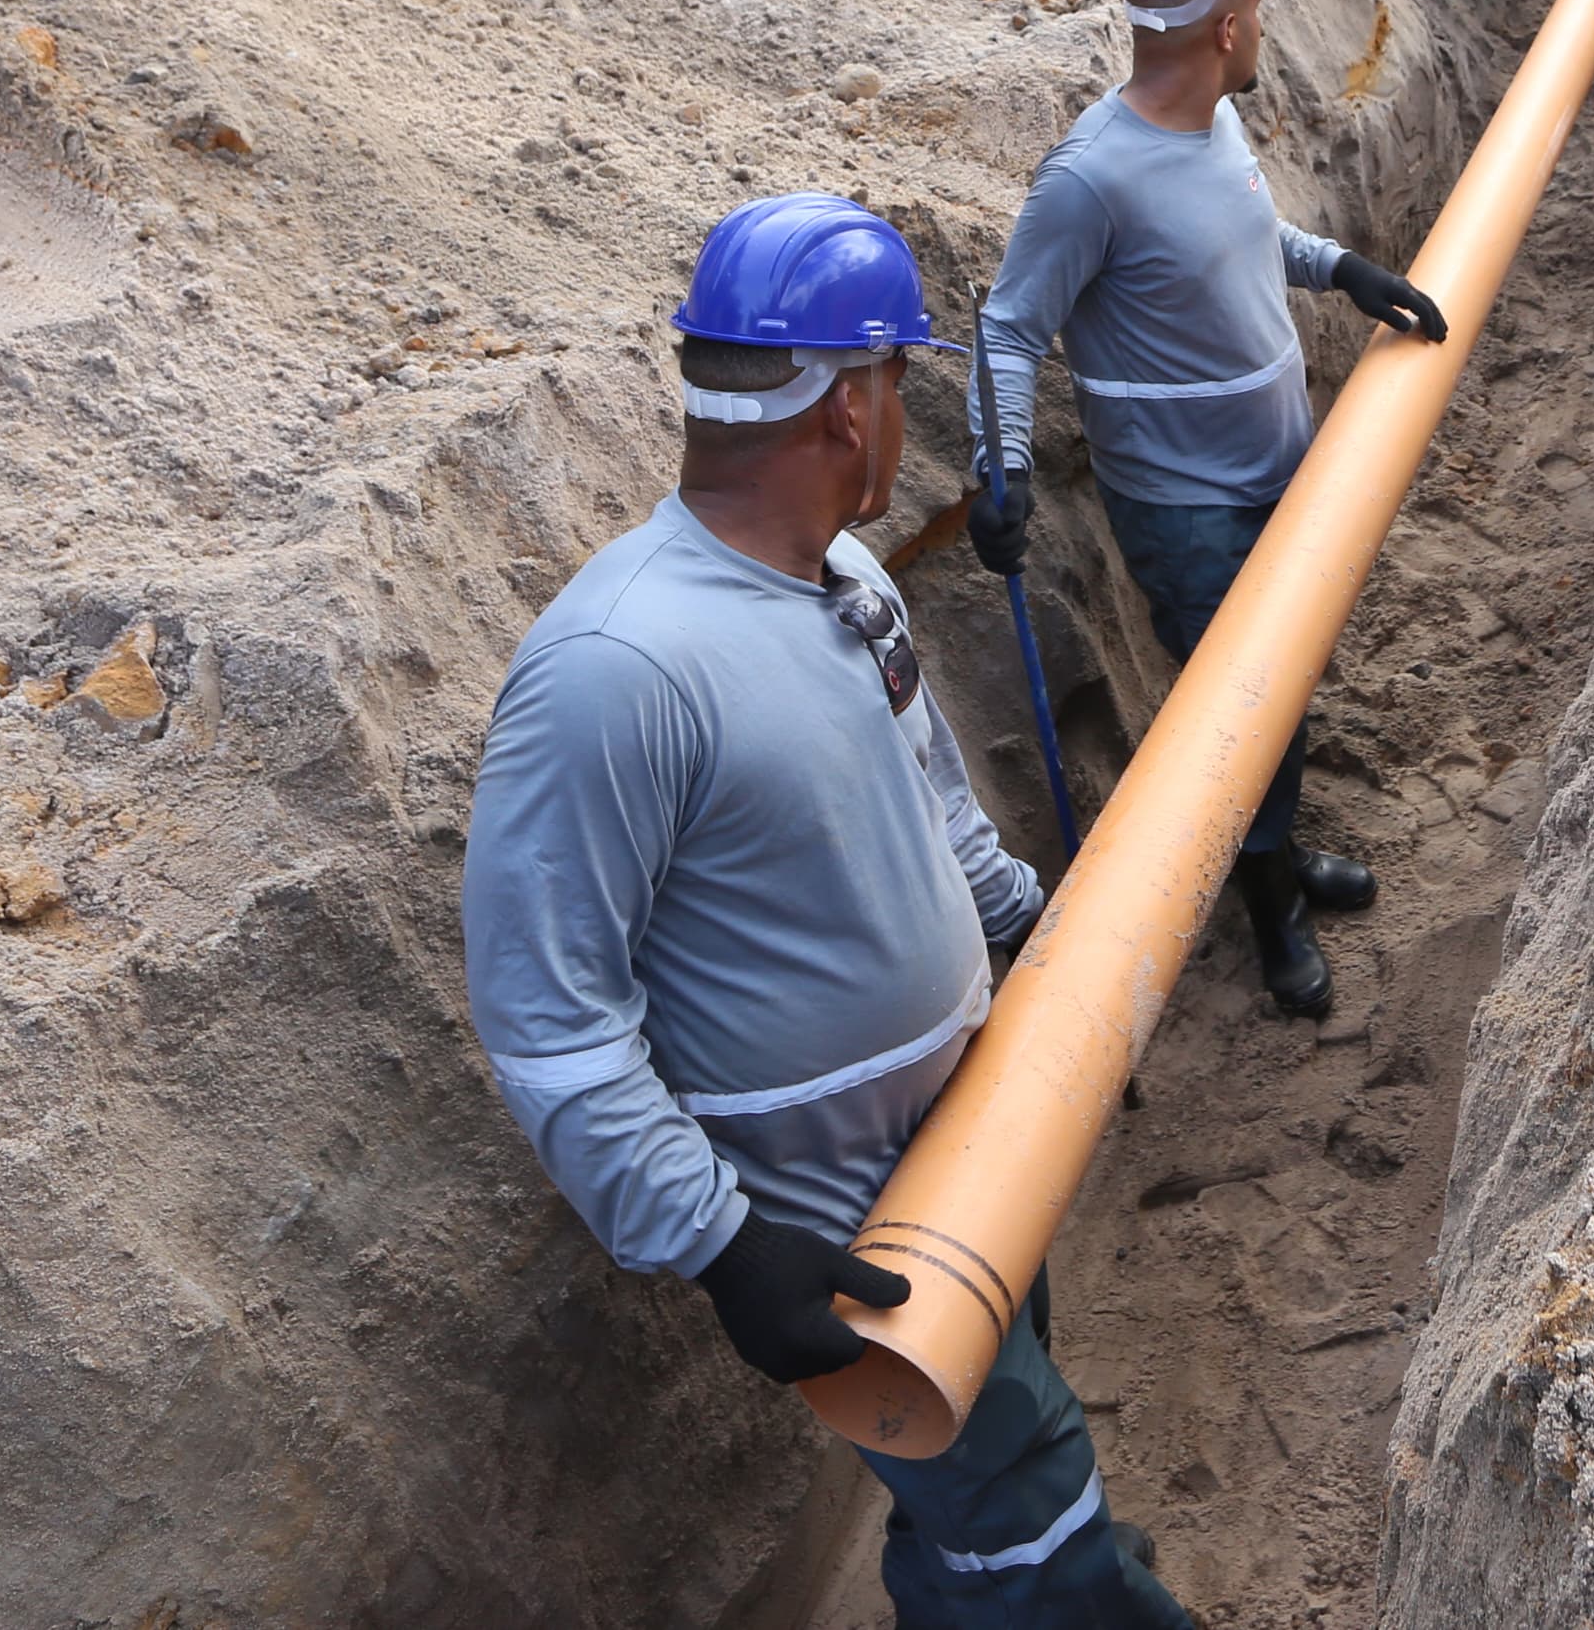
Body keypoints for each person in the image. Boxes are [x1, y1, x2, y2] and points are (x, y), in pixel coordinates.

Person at [465, 194, 1192, 1628]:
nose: (905, 416)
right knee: (1022, 1489)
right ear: (851, 409)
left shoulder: (846, 580)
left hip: (972, 1123)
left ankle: (1022, 1569)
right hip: (823, 1198)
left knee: (992, 1461)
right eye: (900, 385)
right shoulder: (619, 670)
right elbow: (552, 1023)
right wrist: (724, 1245)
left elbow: (928, 795)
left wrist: (1047, 943)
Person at [965, 0, 1450, 1020]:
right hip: (1187, 504)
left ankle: (1273, 858)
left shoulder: (1213, 123)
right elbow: (1006, 324)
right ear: (1226, 23)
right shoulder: (1091, 175)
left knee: (1277, 684)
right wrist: (1003, 469)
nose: (1265, 29)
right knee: (1241, 702)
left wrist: (1341, 270)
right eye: (1259, 6)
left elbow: (1243, 238)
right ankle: (1270, 900)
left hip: (1272, 464)